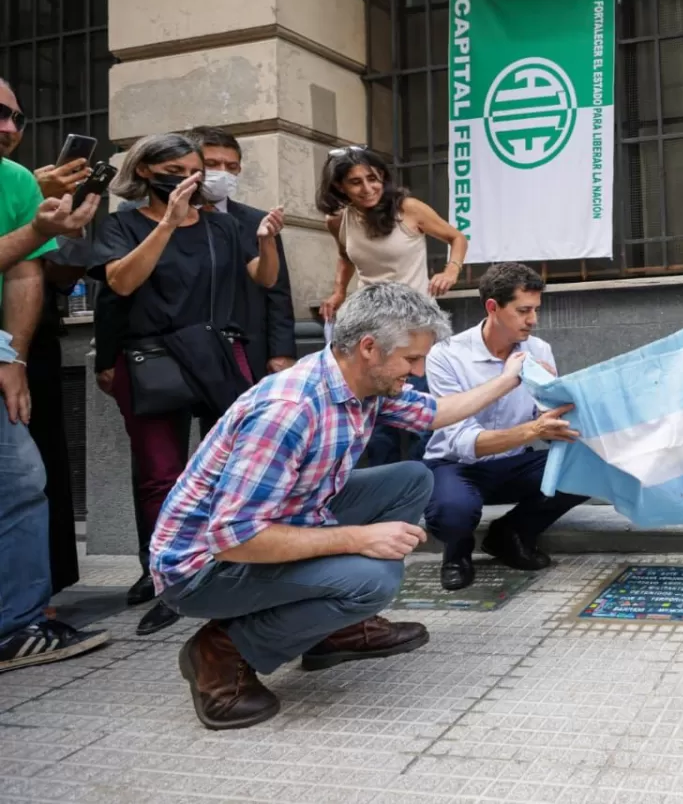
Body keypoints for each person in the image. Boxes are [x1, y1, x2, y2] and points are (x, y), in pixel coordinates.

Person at [150, 282, 534, 730]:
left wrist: (507, 380)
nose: (418, 371)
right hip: (202, 570)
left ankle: (328, 631)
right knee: (373, 579)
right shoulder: (288, 410)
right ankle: (221, 651)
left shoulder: (363, 382)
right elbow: (235, 538)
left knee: (411, 479)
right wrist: (361, 538)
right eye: (411, 359)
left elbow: (435, 413)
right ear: (369, 347)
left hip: (281, 521)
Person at [92, 132, 286, 638]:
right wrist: (167, 226)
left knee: (235, 467)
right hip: (152, 359)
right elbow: (121, 283)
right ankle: (169, 583)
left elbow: (262, 279)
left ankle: (230, 566)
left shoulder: (221, 227)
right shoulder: (121, 225)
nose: (189, 179)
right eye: (175, 170)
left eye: (193, 169)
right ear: (145, 174)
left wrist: (265, 242)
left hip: (220, 354)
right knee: (162, 475)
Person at [0, 76, 111, 672]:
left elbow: (21, 274)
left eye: (17, 117)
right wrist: (40, 230)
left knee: (20, 482)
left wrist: (11, 358)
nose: (10, 129)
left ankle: (14, 628)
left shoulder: (16, 181)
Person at [422, 263, 586, 591]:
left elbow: (550, 412)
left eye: (536, 310)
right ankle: (456, 553)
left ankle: (510, 535)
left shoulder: (538, 350)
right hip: (457, 466)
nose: (533, 320)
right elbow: (461, 440)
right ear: (493, 307)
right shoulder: (446, 355)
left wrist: (562, 404)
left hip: (513, 462)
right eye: (524, 310)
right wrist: (531, 428)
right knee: (452, 510)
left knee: (588, 464)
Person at [316, 146, 467, 466]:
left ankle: (421, 483)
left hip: (413, 326)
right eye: (355, 182)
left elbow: (457, 237)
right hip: (367, 325)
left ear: (382, 177)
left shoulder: (408, 209)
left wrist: (451, 270)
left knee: (418, 409)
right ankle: (381, 487)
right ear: (340, 187)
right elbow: (345, 257)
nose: (367, 188)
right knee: (372, 412)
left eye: (373, 178)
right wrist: (337, 293)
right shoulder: (338, 220)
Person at [188, 126, 297, 381]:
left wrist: (282, 351)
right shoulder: (163, 218)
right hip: (185, 347)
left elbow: (278, 293)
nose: (223, 173)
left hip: (246, 348)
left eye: (232, 167)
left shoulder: (256, 221)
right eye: (212, 164)